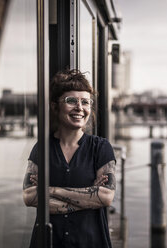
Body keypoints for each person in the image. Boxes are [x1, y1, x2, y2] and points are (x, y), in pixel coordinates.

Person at [23, 69, 116, 248]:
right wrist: (89, 198)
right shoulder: (41, 148)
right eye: (71, 101)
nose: (80, 108)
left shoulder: (101, 148)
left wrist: (49, 190)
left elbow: (105, 197)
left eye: (85, 102)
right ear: (55, 106)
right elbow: (29, 196)